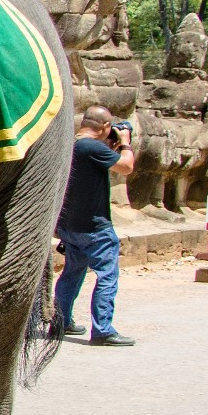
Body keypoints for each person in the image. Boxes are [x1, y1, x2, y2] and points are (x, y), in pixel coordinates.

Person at [53, 106, 135, 347]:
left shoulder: (70, 145)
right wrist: (126, 143)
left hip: (70, 226)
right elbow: (126, 167)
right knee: (107, 276)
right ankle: (103, 330)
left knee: (71, 274)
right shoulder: (92, 147)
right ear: (106, 127)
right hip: (95, 228)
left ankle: (60, 322)